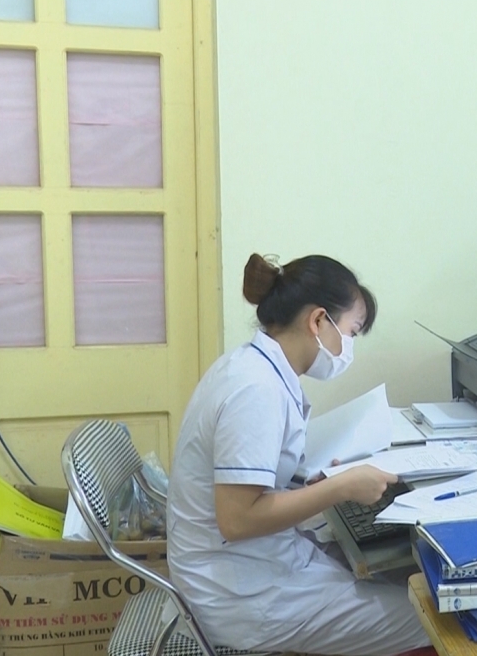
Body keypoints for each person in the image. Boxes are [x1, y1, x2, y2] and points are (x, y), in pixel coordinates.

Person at [166, 254, 431, 655]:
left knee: (400, 579)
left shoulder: (254, 367)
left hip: (248, 568)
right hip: (240, 596)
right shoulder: (255, 390)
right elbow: (236, 519)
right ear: (318, 320)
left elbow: (255, 486)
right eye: (351, 333)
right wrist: (340, 489)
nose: (348, 348)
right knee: (430, 617)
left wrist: (317, 485)